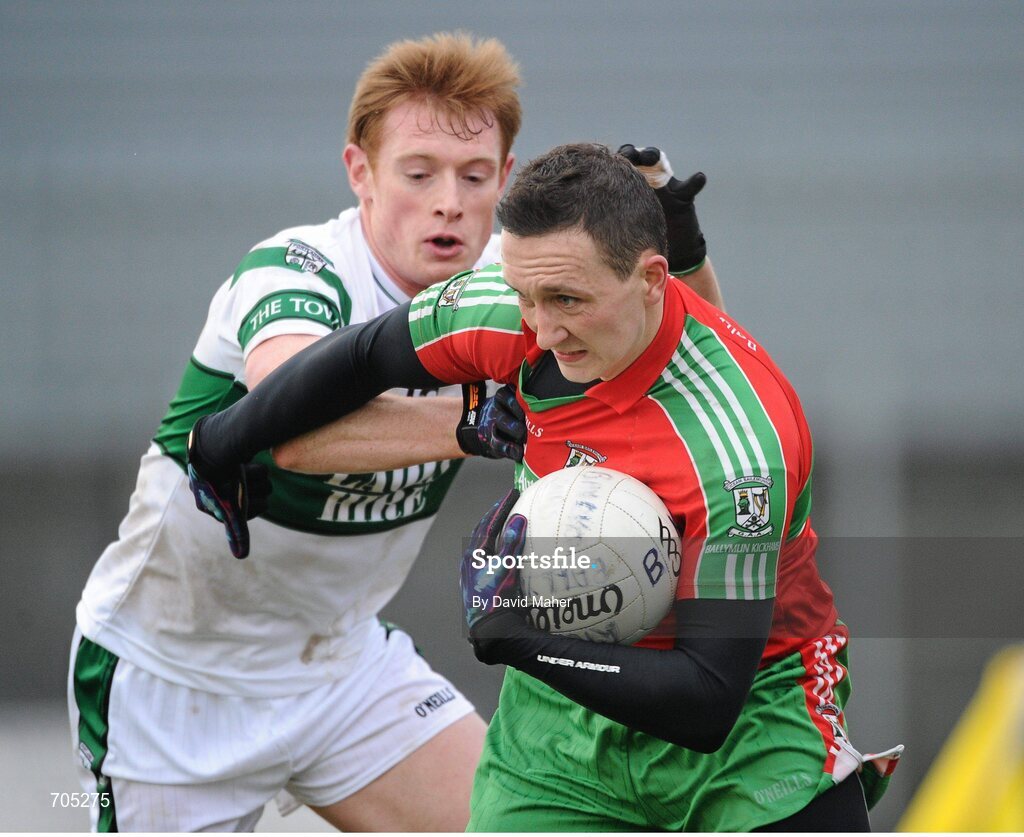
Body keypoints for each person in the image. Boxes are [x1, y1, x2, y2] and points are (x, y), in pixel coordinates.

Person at [69, 31, 722, 832]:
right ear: (360, 173)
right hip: (179, 675)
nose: (448, 200)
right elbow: (293, 424)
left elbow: (696, 378)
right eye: (419, 173)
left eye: (474, 176)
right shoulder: (297, 269)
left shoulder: (517, 295)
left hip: (343, 668)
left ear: (505, 182)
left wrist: (683, 252)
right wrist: (469, 420)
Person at [186, 143, 902, 831]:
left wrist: (520, 640)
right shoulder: (514, 307)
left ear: (653, 279)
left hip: (750, 712)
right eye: (527, 294)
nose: (543, 329)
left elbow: (707, 699)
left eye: (566, 298)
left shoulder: (736, 446)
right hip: (561, 710)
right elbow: (369, 355)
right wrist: (221, 441)